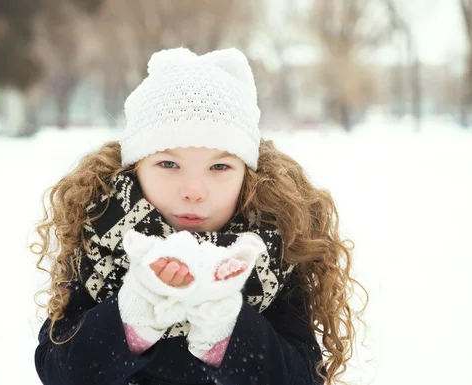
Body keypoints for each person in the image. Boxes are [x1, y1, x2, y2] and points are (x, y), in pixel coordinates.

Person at [32, 47, 367, 385]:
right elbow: (57, 370)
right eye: (168, 164)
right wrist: (133, 317)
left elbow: (302, 377)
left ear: (247, 175)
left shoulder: (273, 249)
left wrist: (226, 326)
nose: (194, 190)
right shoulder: (100, 233)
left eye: (219, 166)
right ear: (136, 168)